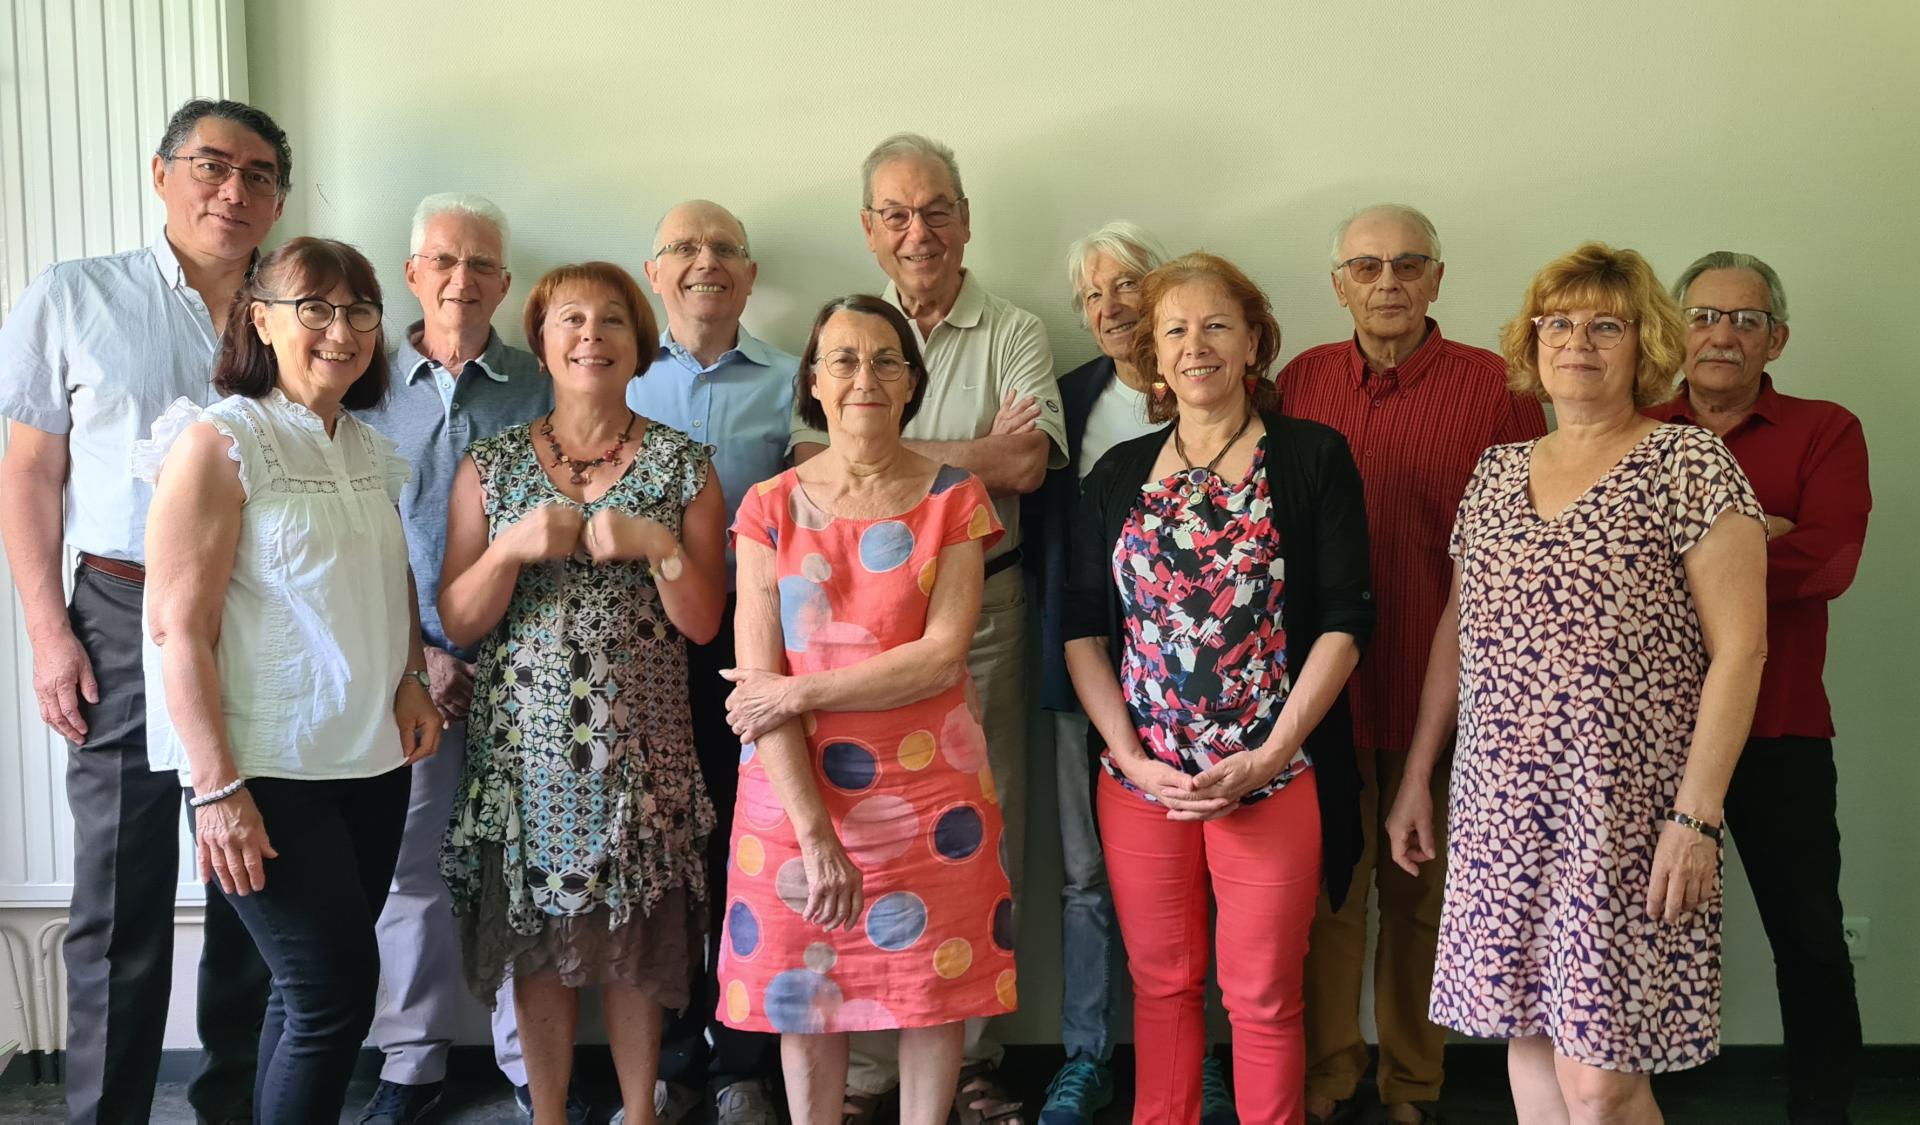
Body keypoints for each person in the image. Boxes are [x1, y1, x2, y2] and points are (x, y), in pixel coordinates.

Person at [1385, 242, 1769, 1123]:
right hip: (1501, 804)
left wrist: (1696, 817)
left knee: (1599, 1081)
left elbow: (1741, 652)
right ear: (1531, 342)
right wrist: (1417, 776)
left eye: (1606, 324)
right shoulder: (1492, 476)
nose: (1577, 342)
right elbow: (1457, 628)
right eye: (1557, 323)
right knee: (1527, 1038)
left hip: (1626, 812)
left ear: (1646, 345)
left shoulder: (1691, 465)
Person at [0, 96, 284, 1125]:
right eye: (212, 165)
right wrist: (46, 633)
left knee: (255, 882)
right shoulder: (75, 297)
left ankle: (233, 1108)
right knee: (118, 901)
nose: (233, 190)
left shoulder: (296, 310)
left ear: (278, 199)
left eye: (258, 175)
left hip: (264, 616)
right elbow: (29, 475)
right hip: (118, 612)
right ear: (161, 174)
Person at [790, 131, 1063, 1125]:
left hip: (978, 608)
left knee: (973, 836)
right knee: (852, 834)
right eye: (898, 213)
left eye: (938, 208)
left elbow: (1027, 465)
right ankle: (862, 1077)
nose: (921, 231)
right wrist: (965, 454)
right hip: (839, 630)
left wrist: (886, 453)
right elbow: (809, 453)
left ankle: (969, 1062)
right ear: (869, 230)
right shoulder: (846, 330)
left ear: (967, 218)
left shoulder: (1017, 328)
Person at [136, 237, 440, 1124]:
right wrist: (217, 787)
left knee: (302, 996)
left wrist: (413, 673)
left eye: (359, 311)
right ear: (261, 319)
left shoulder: (367, 450)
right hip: (266, 769)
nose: (340, 330)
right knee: (333, 994)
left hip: (372, 762)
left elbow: (391, 574)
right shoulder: (218, 441)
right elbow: (176, 628)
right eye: (315, 308)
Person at [1064, 252, 1372, 1125]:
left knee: (1264, 997)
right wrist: (1127, 753)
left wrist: (1271, 752)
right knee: (1160, 987)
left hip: (1272, 777)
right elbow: (1083, 623)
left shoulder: (1311, 457)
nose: (1194, 345)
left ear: (1252, 343)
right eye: (1174, 330)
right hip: (1142, 782)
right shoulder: (1118, 473)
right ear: (1153, 357)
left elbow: (1347, 619)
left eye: (1215, 326)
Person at [1276, 203, 1547, 1125]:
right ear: (1338, 282)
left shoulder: (1499, 387)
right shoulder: (1300, 380)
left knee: (1424, 898)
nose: (1386, 283)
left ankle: (1413, 1085)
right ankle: (1327, 1075)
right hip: (1321, 691)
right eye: (1366, 267)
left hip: (1451, 693)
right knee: (1330, 896)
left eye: (1407, 265)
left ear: (1437, 278)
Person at [715, 294, 1016, 1125]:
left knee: (933, 988)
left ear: (912, 382)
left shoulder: (956, 499)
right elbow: (755, 679)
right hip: (793, 800)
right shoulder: (767, 507)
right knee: (809, 991)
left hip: (933, 800)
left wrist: (801, 690)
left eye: (886, 359)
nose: (864, 377)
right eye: (842, 359)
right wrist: (815, 833)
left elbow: (940, 655)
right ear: (813, 380)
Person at [439, 261, 727, 1125]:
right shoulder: (488, 467)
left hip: (645, 754)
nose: (590, 336)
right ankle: (550, 1114)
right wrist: (511, 548)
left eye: (612, 322)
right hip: (524, 759)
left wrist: (656, 545)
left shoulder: (683, 466)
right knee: (537, 950)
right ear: (543, 341)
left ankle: (641, 1110)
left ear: (640, 348)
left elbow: (706, 620)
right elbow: (458, 617)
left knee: (639, 943)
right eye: (571, 319)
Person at [1646, 251, 1870, 1124]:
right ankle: (1626, 1100)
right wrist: (1751, 539)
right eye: (1704, 316)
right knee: (1640, 926)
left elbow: (1831, 560)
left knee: (1810, 934)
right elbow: (1620, 569)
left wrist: (1695, 556)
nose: (1722, 336)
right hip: (1654, 729)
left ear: (1776, 338)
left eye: (1744, 320)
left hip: (1780, 726)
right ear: (1678, 330)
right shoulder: (1640, 431)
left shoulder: (1827, 429)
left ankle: (1824, 1111)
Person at [352, 193, 557, 1125]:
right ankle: (410, 1058)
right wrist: (419, 658)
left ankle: (532, 1063)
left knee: (528, 865)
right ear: (412, 275)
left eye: (480, 266)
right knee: (413, 869)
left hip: (528, 670)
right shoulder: (362, 386)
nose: (461, 281)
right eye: (443, 262)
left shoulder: (543, 383)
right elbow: (363, 543)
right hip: (405, 671)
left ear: (504, 284)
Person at [1026, 221, 1234, 1125]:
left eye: (1127, 287)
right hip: (1090, 669)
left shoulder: (1223, 391)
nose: (1111, 307)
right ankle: (1084, 1054)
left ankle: (1209, 1055)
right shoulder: (1065, 397)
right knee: (1083, 873)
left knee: (1216, 866)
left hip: (1208, 685)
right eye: (1093, 295)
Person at [628, 198, 796, 1125]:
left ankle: (742, 1058)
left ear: (750, 274)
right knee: (663, 850)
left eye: (726, 247)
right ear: (655, 272)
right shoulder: (610, 371)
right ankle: (671, 1051)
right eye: (684, 248)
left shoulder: (789, 380)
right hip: (643, 650)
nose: (706, 262)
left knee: (746, 843)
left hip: (755, 643)